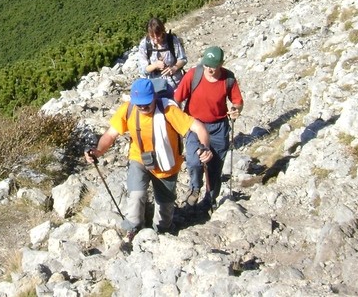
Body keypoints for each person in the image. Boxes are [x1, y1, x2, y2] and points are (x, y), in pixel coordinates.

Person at [85, 79, 213, 235]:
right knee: (136, 194)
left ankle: (162, 232)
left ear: (154, 97)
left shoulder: (168, 110)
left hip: (167, 163)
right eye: (139, 104)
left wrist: (205, 147)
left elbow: (198, 127)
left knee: (165, 205)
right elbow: (111, 134)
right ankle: (133, 229)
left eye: (146, 103)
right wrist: (98, 151)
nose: (143, 107)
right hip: (139, 158)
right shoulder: (128, 109)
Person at [173, 46, 243, 210]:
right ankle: (195, 188)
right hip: (195, 125)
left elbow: (238, 102)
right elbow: (177, 99)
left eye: (213, 66)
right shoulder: (193, 75)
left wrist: (236, 110)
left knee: (215, 166)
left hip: (219, 127)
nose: (209, 69)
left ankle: (209, 200)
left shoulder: (228, 78)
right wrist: (179, 122)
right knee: (193, 161)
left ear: (221, 64)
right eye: (206, 65)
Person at [137, 17, 187, 91]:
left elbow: (183, 59)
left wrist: (174, 68)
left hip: (175, 84)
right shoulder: (145, 44)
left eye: (158, 35)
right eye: (152, 36)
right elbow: (143, 70)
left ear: (162, 31)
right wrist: (155, 65)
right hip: (155, 86)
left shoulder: (172, 40)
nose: (156, 39)